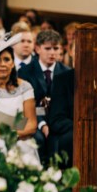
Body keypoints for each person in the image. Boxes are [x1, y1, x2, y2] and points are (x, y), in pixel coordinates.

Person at [18, 30, 70, 162]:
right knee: (39, 139)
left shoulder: (67, 72)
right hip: (33, 118)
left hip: (58, 120)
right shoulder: (25, 71)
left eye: (55, 48)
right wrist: (42, 124)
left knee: (64, 140)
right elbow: (26, 104)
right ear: (37, 49)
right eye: (47, 48)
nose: (52, 52)